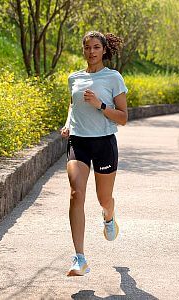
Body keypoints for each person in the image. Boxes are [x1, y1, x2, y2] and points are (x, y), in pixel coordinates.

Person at [60, 31, 128, 277]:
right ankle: (79, 258)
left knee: (103, 199)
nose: (91, 52)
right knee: (76, 193)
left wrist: (100, 105)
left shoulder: (113, 78)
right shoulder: (74, 78)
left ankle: (109, 216)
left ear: (103, 50)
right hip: (78, 141)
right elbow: (72, 104)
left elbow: (123, 118)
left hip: (104, 143)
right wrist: (68, 123)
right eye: (87, 47)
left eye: (96, 47)